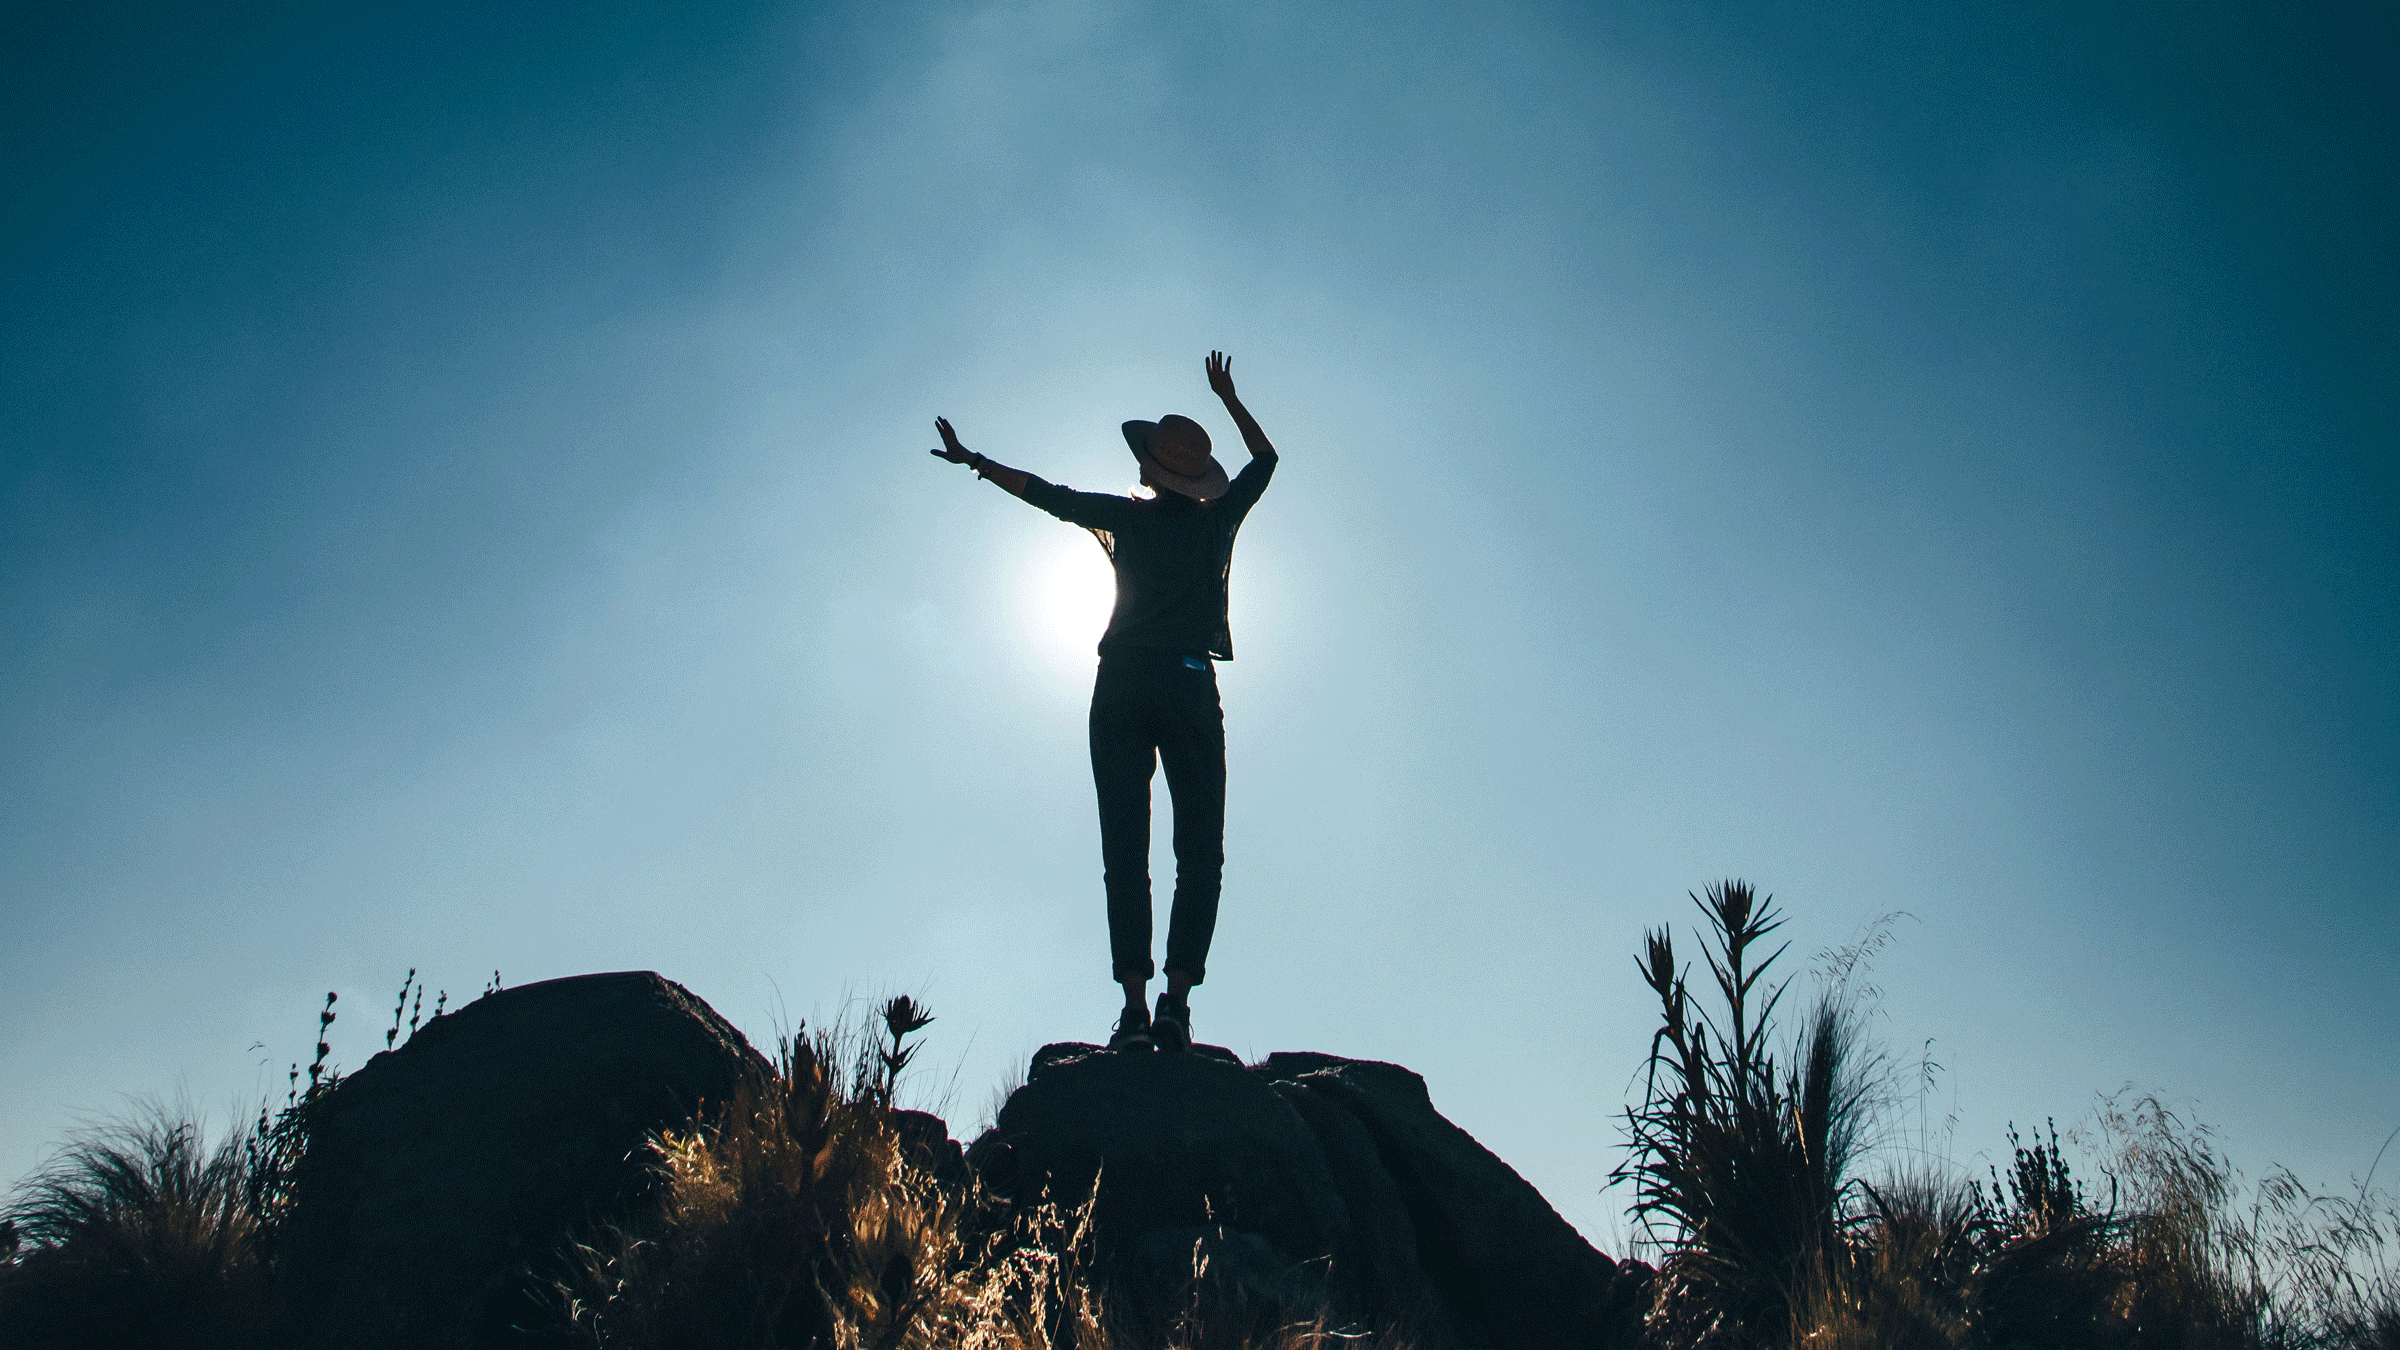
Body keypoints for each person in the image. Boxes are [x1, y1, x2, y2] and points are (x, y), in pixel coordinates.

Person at [929, 351, 1278, 1054]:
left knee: (1126, 847)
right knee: (1199, 852)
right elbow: (1266, 462)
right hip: (1186, 683)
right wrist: (1232, 399)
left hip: (1120, 684)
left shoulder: (1124, 516)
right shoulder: (1216, 525)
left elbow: (1047, 495)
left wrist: (976, 460)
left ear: (1150, 466)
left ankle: (1133, 1008)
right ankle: (1177, 1003)